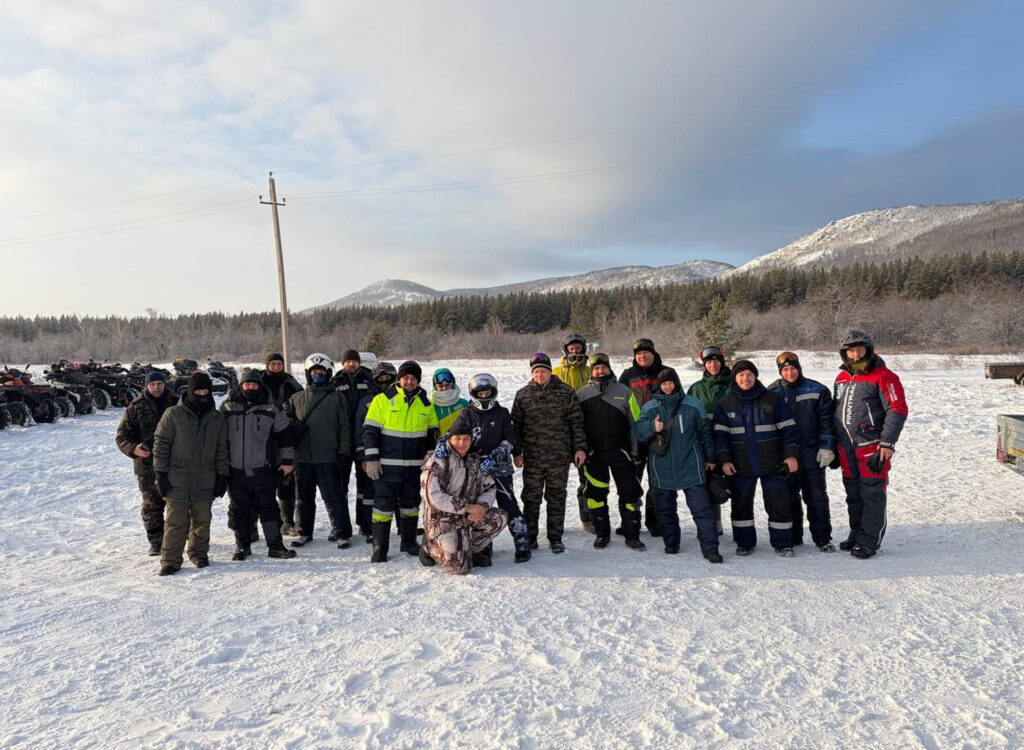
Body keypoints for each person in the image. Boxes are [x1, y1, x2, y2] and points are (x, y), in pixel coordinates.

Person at [833, 330, 909, 559]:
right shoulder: (841, 379)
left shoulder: (884, 376)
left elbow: (897, 409)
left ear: (868, 350)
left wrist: (887, 443)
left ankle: (869, 540)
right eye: (850, 350)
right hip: (846, 448)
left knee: (871, 494)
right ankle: (857, 533)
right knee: (853, 494)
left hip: (872, 447)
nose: (855, 355)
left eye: (859, 350)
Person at [713, 360, 800, 557]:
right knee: (741, 505)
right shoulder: (725, 404)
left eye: (749, 374)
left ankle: (783, 543)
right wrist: (725, 460)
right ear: (735, 378)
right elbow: (720, 436)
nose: (746, 378)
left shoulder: (773, 399)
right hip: (740, 465)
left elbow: (789, 431)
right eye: (741, 375)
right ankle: (744, 542)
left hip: (774, 463)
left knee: (779, 503)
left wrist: (791, 456)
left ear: (756, 376)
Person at [634, 368, 722, 562]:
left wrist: (710, 458)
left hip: (691, 463)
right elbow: (639, 433)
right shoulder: (650, 407)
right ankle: (671, 542)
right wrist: (652, 427)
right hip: (661, 465)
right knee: (665, 508)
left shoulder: (693, 405)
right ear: (659, 385)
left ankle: (710, 549)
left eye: (671, 382)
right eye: (664, 383)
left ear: (677, 383)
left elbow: (705, 434)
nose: (667, 386)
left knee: (702, 508)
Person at [450, 373, 532, 563]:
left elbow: (511, 437)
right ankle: (483, 546)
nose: (484, 396)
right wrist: (443, 447)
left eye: (487, 393)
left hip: (500, 467)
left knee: (509, 504)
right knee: (479, 507)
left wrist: (509, 452)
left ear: (493, 393)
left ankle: (522, 544)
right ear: (473, 393)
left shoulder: (502, 413)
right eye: (480, 393)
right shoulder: (466, 413)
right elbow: (454, 434)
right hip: (476, 468)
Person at [362, 360, 439, 562]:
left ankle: (408, 542)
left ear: (418, 381)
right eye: (405, 377)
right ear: (399, 379)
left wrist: (429, 456)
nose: (409, 381)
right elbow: (369, 431)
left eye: (413, 378)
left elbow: (433, 435)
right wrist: (371, 459)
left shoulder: (426, 404)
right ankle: (379, 547)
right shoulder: (382, 400)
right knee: (382, 508)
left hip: (414, 468)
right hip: (387, 467)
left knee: (411, 505)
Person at [152, 373, 228, 576]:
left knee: (202, 520)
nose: (202, 395)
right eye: (198, 391)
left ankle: (199, 553)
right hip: (177, 477)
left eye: (205, 391)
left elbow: (222, 449)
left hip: (205, 478)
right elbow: (161, 445)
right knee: (175, 522)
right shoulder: (173, 414)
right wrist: (160, 473)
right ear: (190, 391)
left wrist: (222, 475)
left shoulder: (217, 418)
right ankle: (170, 560)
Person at [511, 353, 587, 554]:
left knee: (556, 498)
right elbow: (516, 427)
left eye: (543, 371)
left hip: (559, 457)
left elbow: (576, 424)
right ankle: (531, 537)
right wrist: (517, 453)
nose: (540, 374)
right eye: (536, 371)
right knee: (531, 498)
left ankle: (555, 537)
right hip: (533, 458)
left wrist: (579, 448)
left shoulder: (566, 393)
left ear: (550, 371)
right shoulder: (523, 395)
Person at [220, 369, 297, 561]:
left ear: (259, 386)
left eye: (254, 384)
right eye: (247, 384)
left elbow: (285, 437)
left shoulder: (271, 409)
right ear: (241, 385)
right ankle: (242, 546)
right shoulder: (228, 408)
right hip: (235, 471)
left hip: (263, 470)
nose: (250, 387)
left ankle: (276, 546)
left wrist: (287, 462)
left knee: (269, 508)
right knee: (239, 511)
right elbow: (217, 437)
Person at [768, 352, 837, 552]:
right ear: (780, 371)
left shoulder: (817, 390)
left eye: (793, 368)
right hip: (786, 456)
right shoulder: (772, 392)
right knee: (788, 498)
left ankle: (823, 538)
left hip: (812, 454)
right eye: (785, 370)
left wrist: (827, 446)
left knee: (816, 497)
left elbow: (826, 421)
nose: (790, 373)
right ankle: (794, 536)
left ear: (799, 368)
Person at [577, 353, 646, 550]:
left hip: (621, 453)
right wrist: (581, 450)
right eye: (596, 368)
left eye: (603, 367)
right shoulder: (582, 394)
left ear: (609, 368)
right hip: (594, 455)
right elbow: (576, 426)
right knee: (595, 495)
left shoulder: (625, 392)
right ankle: (601, 533)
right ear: (592, 371)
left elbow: (636, 423)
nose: (600, 371)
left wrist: (636, 453)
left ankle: (632, 535)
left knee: (630, 494)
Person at [419, 425, 509, 575]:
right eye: (457, 439)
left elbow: (489, 486)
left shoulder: (474, 461)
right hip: (442, 520)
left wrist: (481, 506)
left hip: (467, 517)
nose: (462, 443)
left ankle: (466, 549)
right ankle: (430, 546)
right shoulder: (438, 461)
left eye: (466, 439)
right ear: (449, 439)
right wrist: (467, 507)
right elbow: (433, 496)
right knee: (459, 568)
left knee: (500, 518)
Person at [286, 353, 354, 549]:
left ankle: (342, 532)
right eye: (314, 372)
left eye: (321, 372)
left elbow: (345, 427)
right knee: (303, 498)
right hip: (303, 458)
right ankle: (304, 531)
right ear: (308, 374)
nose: (318, 375)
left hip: (328, 456)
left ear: (328, 374)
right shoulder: (296, 398)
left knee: (334, 497)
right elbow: (284, 427)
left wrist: (343, 453)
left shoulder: (337, 398)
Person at [115, 371, 179, 556]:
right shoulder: (135, 407)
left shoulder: (177, 402)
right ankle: (156, 542)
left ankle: (179, 537)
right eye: (152, 384)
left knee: (180, 504)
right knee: (152, 506)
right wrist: (133, 449)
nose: (156, 387)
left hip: (176, 463)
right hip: (147, 465)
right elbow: (122, 437)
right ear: (146, 386)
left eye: (159, 383)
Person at [618, 338, 663, 536]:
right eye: (638, 354)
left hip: (658, 436)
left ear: (653, 353)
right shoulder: (628, 375)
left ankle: (655, 521)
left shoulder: (665, 373)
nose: (642, 356)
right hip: (634, 437)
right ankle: (629, 520)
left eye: (646, 352)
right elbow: (617, 403)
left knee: (657, 482)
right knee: (630, 483)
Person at [687, 345, 733, 536]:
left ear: (722, 362)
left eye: (715, 361)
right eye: (708, 362)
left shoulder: (735, 383)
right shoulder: (696, 389)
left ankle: (742, 527)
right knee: (708, 485)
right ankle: (713, 523)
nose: (712, 365)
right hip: (705, 443)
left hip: (732, 442)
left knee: (736, 486)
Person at [553, 331, 595, 534]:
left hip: (585, 432)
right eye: (572, 349)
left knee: (586, 478)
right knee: (556, 482)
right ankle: (555, 523)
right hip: (560, 433)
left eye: (578, 349)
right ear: (566, 351)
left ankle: (587, 518)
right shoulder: (556, 372)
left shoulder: (590, 371)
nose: (575, 352)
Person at [260, 352, 304, 536]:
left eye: (279, 364)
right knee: (260, 482)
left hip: (285, 436)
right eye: (273, 364)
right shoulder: (258, 382)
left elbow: (301, 408)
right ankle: (260, 524)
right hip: (261, 437)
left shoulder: (292, 384)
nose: (276, 367)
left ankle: (287, 521)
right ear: (267, 365)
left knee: (286, 480)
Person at [353, 361, 397, 541]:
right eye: (381, 379)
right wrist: (363, 456)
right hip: (372, 454)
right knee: (368, 492)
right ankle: (367, 527)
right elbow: (360, 430)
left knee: (398, 491)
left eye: (388, 378)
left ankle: (404, 527)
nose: (385, 381)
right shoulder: (367, 401)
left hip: (395, 453)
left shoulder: (402, 398)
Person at [332, 348, 373, 538]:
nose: (351, 364)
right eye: (348, 361)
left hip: (364, 436)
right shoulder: (336, 381)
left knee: (365, 485)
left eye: (354, 361)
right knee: (339, 485)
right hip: (342, 439)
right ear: (343, 363)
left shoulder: (368, 378)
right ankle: (339, 526)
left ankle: (365, 524)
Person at [430, 367, 469, 434]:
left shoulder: (464, 404)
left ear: (453, 385)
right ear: (435, 387)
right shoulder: (431, 407)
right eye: (440, 386)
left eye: (447, 385)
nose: (444, 388)